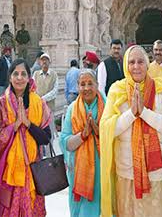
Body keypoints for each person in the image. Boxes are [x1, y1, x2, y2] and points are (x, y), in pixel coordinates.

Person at [100, 44, 162, 217]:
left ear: (147, 64)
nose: (136, 66)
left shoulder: (160, 90)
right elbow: (107, 129)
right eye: (131, 62)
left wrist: (144, 113)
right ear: (125, 65)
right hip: (127, 174)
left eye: (140, 61)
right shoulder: (117, 91)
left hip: (158, 175)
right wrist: (131, 114)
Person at [0, 59, 52, 216]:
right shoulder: (1, 104)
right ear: (10, 77)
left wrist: (28, 124)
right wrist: (14, 126)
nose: (19, 78)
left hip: (34, 169)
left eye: (23, 74)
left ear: (29, 78)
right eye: (15, 74)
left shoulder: (39, 103)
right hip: (10, 171)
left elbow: (46, 138)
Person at [61, 69, 105, 217]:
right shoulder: (72, 109)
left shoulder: (107, 106)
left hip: (102, 166)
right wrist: (83, 135)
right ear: (77, 86)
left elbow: (115, 137)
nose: (86, 88)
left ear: (97, 85)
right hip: (79, 169)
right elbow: (65, 142)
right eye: (82, 84)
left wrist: (98, 131)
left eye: (90, 84)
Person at [33, 53, 58, 127]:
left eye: (46, 60)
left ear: (49, 62)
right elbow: (32, 88)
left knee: (50, 128)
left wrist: (43, 99)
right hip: (38, 107)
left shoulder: (54, 74)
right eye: (42, 60)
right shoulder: (36, 74)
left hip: (49, 107)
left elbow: (55, 91)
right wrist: (37, 99)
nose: (44, 62)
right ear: (40, 62)